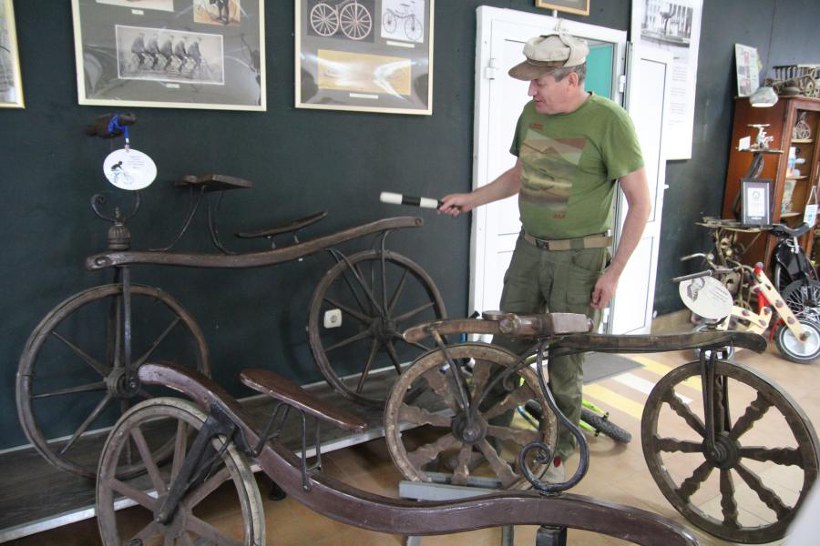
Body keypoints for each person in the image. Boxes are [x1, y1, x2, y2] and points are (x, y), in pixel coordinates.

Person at [439, 33, 651, 481]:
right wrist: (472, 199)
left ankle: (557, 453)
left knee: (565, 363)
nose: (531, 90)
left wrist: (614, 272)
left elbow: (640, 203)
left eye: (540, 82)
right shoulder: (532, 114)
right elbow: (520, 175)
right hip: (528, 252)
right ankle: (488, 437)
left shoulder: (609, 122)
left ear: (571, 79)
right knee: (505, 349)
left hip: (580, 262)